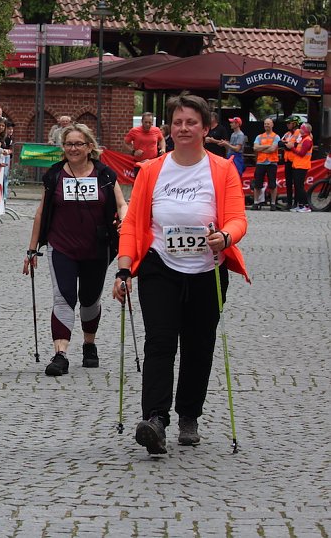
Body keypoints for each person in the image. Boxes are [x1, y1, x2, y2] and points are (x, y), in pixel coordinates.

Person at [112, 93, 249, 455]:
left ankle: (189, 414)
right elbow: (133, 224)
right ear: (168, 129)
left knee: (198, 345)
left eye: (191, 122)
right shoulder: (152, 170)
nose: (183, 128)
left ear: (206, 128)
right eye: (177, 122)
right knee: (159, 341)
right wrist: (124, 268)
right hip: (161, 265)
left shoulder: (222, 170)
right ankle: (155, 419)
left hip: (208, 269)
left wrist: (227, 236)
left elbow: (237, 217)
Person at [23, 123, 128, 376]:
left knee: (90, 300)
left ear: (90, 146)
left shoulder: (104, 175)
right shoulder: (55, 175)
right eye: (68, 144)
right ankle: (60, 354)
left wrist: (124, 221)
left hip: (97, 248)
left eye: (78, 144)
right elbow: (41, 212)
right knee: (64, 296)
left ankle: (89, 344)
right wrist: (32, 248)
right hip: (62, 246)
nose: (73, 148)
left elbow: (122, 204)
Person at [251, 118, 280, 210]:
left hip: (272, 162)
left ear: (272, 125)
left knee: (272, 184)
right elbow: (255, 148)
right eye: (265, 124)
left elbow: (273, 149)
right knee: (257, 184)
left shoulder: (276, 137)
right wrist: (268, 146)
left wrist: (261, 148)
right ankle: (256, 202)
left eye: (268, 124)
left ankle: (273, 203)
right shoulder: (259, 136)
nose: (266, 125)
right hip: (261, 162)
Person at [289, 122, 313, 212]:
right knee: (297, 186)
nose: (300, 130)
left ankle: (306, 205)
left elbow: (302, 153)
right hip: (298, 165)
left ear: (306, 130)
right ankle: (301, 205)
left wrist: (292, 148)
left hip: (302, 166)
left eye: (302, 128)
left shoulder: (307, 140)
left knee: (300, 186)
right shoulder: (303, 139)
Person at [280, 115, 302, 209]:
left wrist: (288, 145)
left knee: (296, 183)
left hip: (295, 161)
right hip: (287, 160)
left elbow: (296, 145)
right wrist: (288, 145)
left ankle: (296, 203)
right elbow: (280, 143)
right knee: (288, 183)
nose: (287, 125)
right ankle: (289, 203)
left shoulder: (299, 133)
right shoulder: (287, 134)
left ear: (294, 123)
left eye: (289, 123)